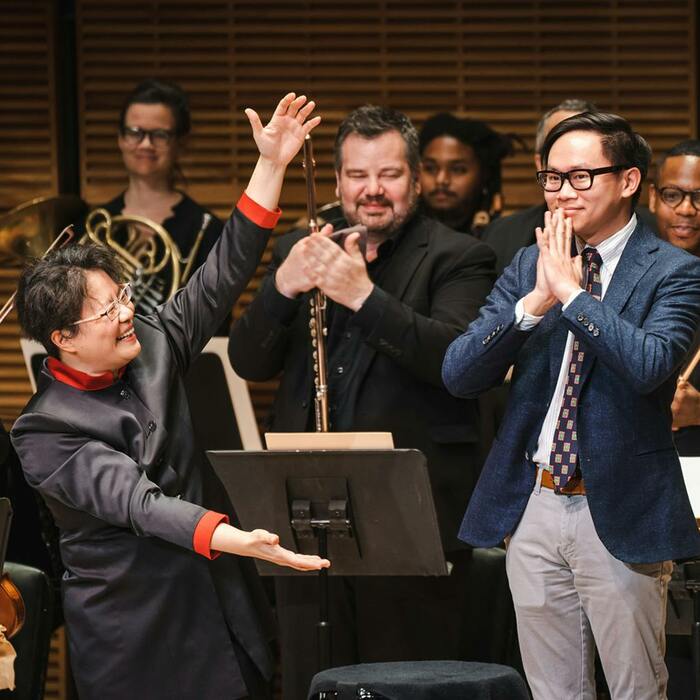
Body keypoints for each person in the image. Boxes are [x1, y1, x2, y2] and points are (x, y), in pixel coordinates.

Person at [10, 93, 328, 700]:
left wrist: (271, 166)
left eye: (123, 296)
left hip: (222, 608)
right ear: (64, 339)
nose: (129, 312)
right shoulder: (44, 430)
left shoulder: (152, 344)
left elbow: (221, 274)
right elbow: (138, 502)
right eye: (109, 310)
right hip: (137, 635)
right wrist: (235, 537)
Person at [228, 104, 496, 699]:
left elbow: (458, 363)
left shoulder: (460, 257)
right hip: (304, 511)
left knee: (403, 684)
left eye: (390, 175)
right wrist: (281, 288)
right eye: (356, 176)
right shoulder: (303, 247)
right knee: (309, 681)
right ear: (339, 180)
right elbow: (249, 362)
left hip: (410, 517)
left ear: (416, 179)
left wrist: (363, 296)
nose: (372, 191)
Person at [442, 111, 700, 699]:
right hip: (532, 501)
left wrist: (572, 295)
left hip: (619, 509)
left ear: (629, 181)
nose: (561, 193)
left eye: (580, 177)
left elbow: (650, 367)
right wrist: (533, 302)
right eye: (551, 178)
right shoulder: (531, 264)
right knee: (554, 692)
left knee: (637, 690)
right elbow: (459, 373)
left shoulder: (675, 272)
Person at [83, 78, 224, 314]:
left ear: (179, 143)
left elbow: (215, 316)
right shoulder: (94, 224)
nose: (146, 144)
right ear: (121, 139)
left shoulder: (207, 230)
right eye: (135, 132)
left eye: (159, 134)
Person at [483, 98, 597, 274]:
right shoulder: (502, 235)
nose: (568, 156)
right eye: (556, 146)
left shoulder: (644, 233)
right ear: (540, 164)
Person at [650, 139, 700, 456]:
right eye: (672, 195)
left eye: (699, 198)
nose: (686, 209)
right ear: (653, 198)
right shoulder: (619, 274)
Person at [418, 112, 515, 236]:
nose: (441, 180)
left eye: (458, 169)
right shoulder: (399, 237)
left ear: (484, 175)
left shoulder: (506, 239)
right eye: (430, 168)